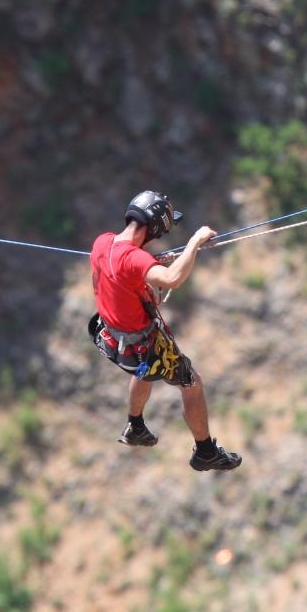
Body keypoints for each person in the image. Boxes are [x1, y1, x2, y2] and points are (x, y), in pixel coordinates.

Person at [88, 190, 243, 472]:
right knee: (191, 383)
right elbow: (172, 279)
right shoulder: (134, 260)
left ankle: (135, 425)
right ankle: (205, 451)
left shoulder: (102, 243)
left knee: (144, 371)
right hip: (143, 346)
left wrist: (144, 283)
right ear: (154, 228)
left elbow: (116, 279)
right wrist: (194, 242)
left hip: (113, 340)